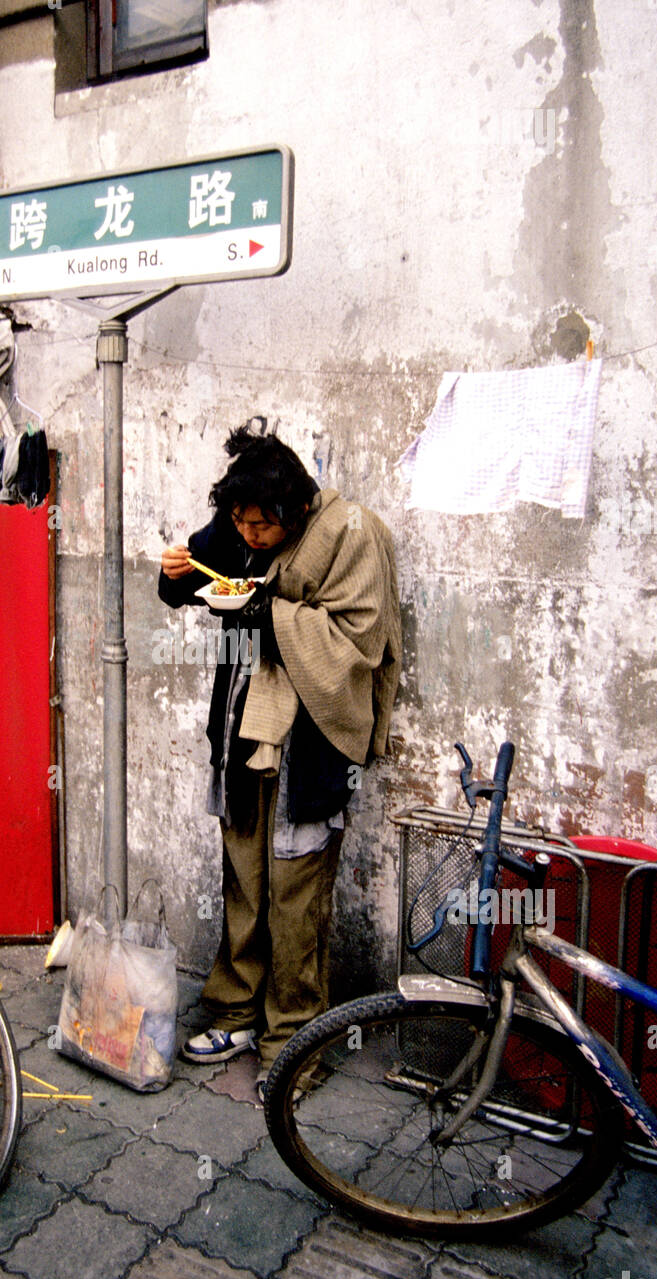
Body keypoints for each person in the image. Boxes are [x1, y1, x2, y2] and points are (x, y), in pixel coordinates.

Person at [158, 422, 401, 1098]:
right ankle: (235, 1009)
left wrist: (265, 610)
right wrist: (174, 574)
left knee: (296, 893)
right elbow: (191, 583)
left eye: (261, 527)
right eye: (239, 523)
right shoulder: (239, 522)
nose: (248, 536)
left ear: (293, 512)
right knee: (241, 871)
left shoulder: (349, 534)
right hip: (242, 726)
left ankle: (293, 1039)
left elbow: (359, 638)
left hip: (310, 741)